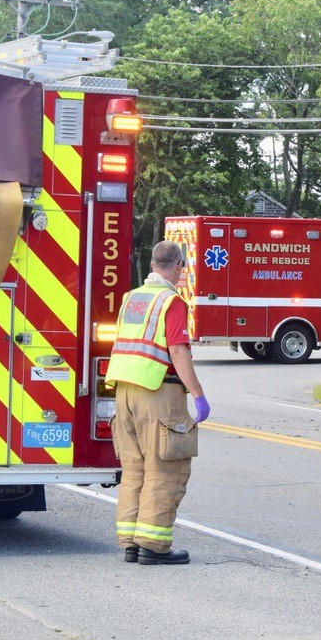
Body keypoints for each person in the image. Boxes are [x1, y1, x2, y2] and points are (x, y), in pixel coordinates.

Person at [104, 240, 211, 565]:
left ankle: (131, 543)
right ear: (179, 266)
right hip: (157, 392)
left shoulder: (131, 298)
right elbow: (177, 351)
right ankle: (153, 545)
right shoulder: (171, 302)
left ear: (152, 265)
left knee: (134, 469)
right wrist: (198, 395)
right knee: (165, 469)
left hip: (124, 392)